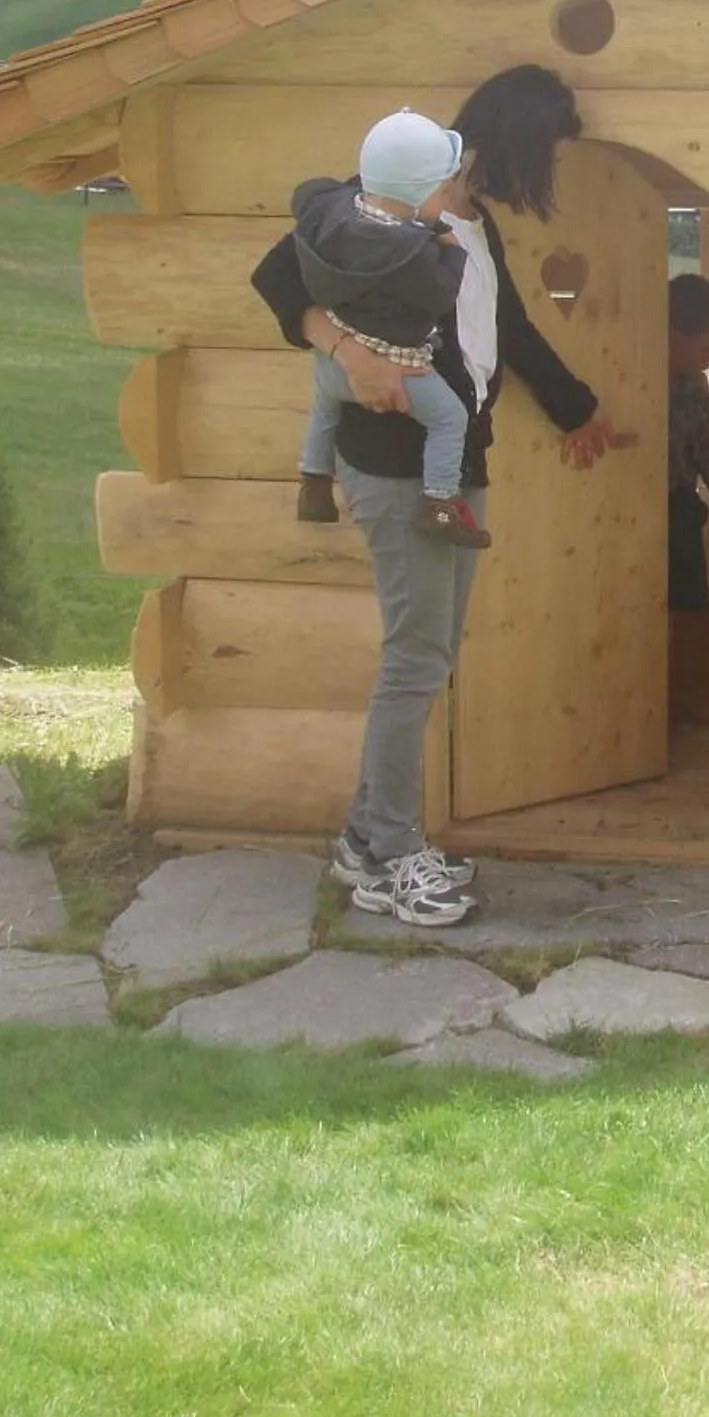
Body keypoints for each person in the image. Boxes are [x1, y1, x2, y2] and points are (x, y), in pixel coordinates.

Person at [249, 65, 620, 927]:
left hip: (459, 464)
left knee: (431, 653)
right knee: (416, 659)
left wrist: (579, 411)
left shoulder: (473, 223)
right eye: (552, 155)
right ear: (521, 142)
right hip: (393, 463)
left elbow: (509, 332)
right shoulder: (371, 207)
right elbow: (277, 282)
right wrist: (348, 350)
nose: (550, 176)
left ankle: (363, 840)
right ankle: (390, 854)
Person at [290, 109, 489, 548]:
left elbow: (307, 196)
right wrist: (451, 249)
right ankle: (439, 503)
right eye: (442, 188)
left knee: (325, 407)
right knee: (448, 418)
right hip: (397, 370)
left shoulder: (335, 218)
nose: (447, 196)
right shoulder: (410, 253)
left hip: (334, 360)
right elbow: (440, 294)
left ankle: (315, 483)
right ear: (419, 196)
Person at [666, 274, 709, 613]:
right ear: (674, 336)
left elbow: (707, 449)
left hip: (681, 512)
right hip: (633, 513)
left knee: (690, 607)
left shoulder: (696, 387)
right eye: (708, 348)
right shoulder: (628, 380)